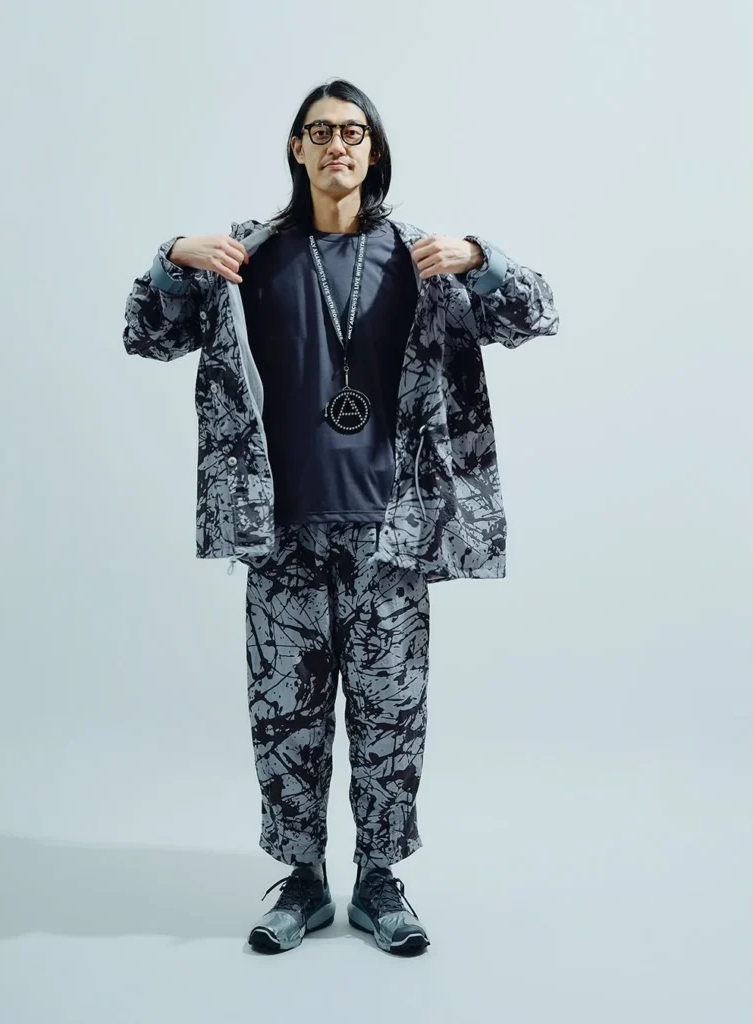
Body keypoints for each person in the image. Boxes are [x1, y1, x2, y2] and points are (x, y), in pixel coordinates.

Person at [122, 78, 559, 957]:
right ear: (297, 149)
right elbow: (147, 335)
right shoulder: (244, 255)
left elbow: (535, 313)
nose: (336, 146)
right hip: (280, 528)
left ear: (373, 149)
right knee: (285, 716)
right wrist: (171, 255)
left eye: (352, 132)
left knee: (391, 717)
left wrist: (483, 256)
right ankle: (303, 881)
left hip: (391, 531)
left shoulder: (420, 256)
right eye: (319, 132)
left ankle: (379, 880)